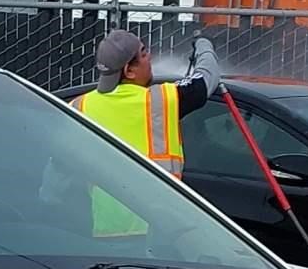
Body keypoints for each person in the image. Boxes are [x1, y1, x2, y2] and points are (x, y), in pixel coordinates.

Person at [71, 29, 220, 176]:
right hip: (155, 200)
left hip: (101, 201)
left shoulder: (77, 107)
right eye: (143, 54)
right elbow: (207, 75)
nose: (149, 56)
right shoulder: (161, 101)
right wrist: (204, 44)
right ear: (129, 71)